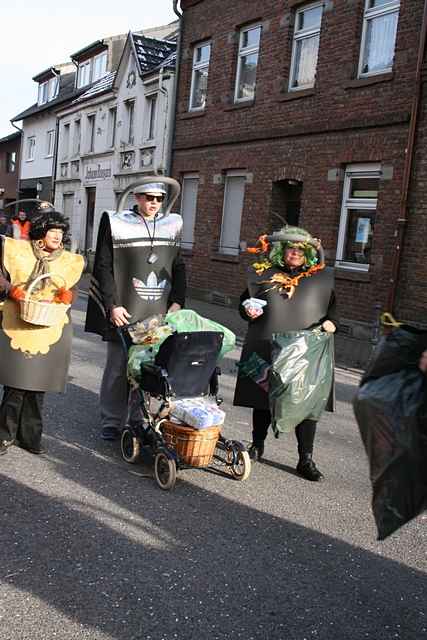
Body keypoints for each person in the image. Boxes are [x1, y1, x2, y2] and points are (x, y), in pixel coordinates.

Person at [233, 225, 338, 481]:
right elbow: (244, 304)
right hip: (268, 343)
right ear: (282, 250)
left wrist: (331, 322)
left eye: (300, 250)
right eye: (290, 248)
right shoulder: (263, 274)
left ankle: (306, 458)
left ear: (308, 254)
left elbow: (331, 308)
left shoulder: (318, 277)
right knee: (263, 397)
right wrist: (247, 310)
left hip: (304, 350)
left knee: (307, 401)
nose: (295, 253)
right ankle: (257, 445)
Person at [85, 180, 186, 441]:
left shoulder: (171, 224)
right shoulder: (118, 223)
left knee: (146, 368)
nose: (153, 203)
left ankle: (138, 419)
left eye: (158, 199)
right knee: (118, 367)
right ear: (137, 197)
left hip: (157, 312)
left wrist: (178, 300)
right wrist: (111, 305)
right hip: (125, 309)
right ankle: (111, 420)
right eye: (148, 198)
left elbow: (178, 265)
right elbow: (104, 266)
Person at [0, 209, 84, 456]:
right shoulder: (17, 251)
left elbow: (72, 287)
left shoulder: (68, 260)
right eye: (52, 231)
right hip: (17, 321)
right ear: (40, 233)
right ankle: (5, 435)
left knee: (38, 385)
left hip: (50, 324)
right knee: (16, 384)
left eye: (60, 232)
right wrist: (11, 290)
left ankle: (30, 436)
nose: (57, 236)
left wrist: (69, 296)